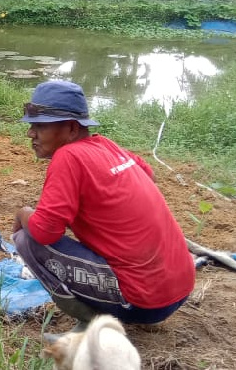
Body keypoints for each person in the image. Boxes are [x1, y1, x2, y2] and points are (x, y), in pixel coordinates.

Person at [12, 80, 194, 330]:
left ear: (72, 129)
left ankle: (93, 326)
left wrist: (23, 214)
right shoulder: (105, 144)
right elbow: (149, 175)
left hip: (143, 301)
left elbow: (45, 232)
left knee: (26, 239)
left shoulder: (68, 156)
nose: (31, 133)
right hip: (179, 288)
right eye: (32, 126)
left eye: (41, 126)